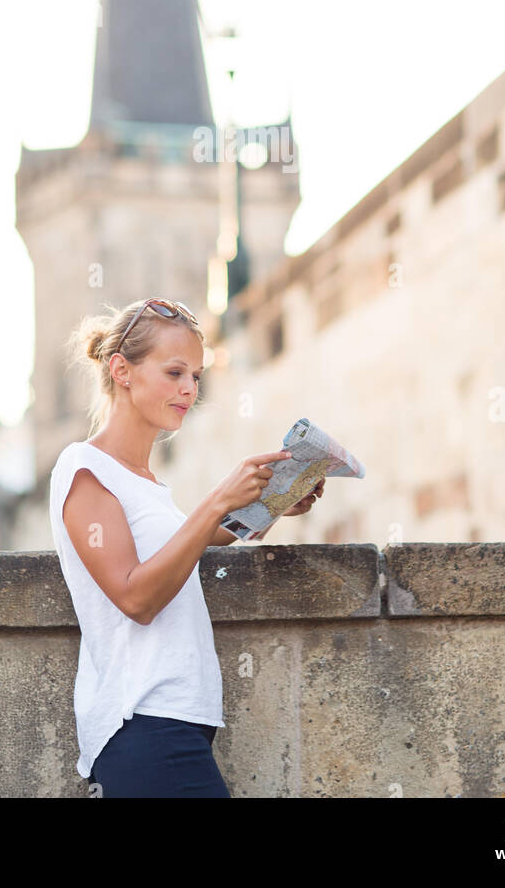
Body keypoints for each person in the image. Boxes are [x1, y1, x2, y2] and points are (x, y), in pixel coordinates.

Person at [49, 296, 325, 798]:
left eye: (196, 377)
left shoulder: (144, 482)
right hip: (142, 723)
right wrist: (218, 498)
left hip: (177, 722)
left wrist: (272, 502)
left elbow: (187, 544)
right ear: (122, 370)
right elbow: (136, 598)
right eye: (175, 372)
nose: (189, 389)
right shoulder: (84, 469)